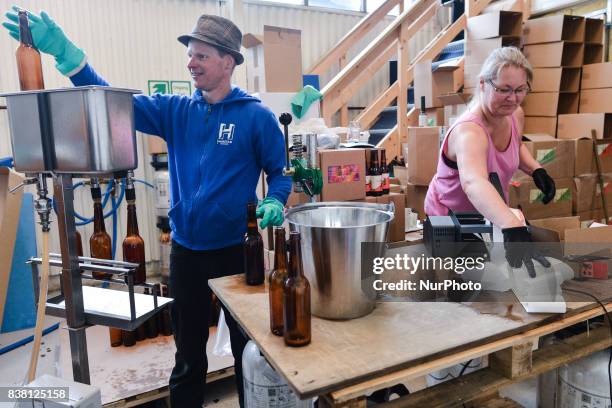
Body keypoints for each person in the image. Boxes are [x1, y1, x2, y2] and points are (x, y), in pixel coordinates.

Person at [3, 8, 291, 407]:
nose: (191, 63)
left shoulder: (255, 116)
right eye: (189, 54)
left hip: (237, 251)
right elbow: (112, 101)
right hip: (187, 252)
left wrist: (276, 198)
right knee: (188, 355)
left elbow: (280, 173)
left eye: (201, 55)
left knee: (249, 350)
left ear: (228, 62)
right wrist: (68, 56)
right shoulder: (175, 111)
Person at [424, 46, 556, 273]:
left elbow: (517, 145)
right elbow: (474, 183)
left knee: (544, 253)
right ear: (483, 84)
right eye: (504, 89)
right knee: (481, 279)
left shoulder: (514, 114)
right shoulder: (469, 131)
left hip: (490, 213)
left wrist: (536, 170)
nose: (513, 98)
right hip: (453, 219)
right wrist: (511, 225)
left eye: (520, 89)